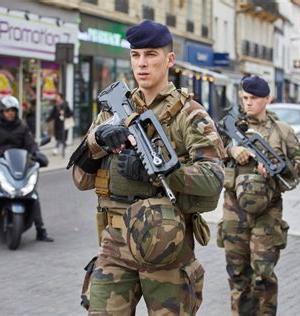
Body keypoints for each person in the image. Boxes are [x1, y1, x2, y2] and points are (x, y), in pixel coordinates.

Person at [70, 20, 225, 315]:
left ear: (169, 60)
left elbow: (214, 178)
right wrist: (98, 140)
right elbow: (80, 178)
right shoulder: (113, 110)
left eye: (151, 54)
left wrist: (164, 172)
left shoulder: (189, 114)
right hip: (114, 243)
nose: (141, 64)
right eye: (136, 55)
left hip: (167, 245)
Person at [218, 75, 300, 315]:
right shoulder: (231, 127)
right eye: (245, 98)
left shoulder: (282, 131)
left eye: (254, 98)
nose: (248, 103)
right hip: (233, 210)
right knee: (237, 274)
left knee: (263, 274)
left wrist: (280, 164)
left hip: (267, 213)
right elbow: (208, 154)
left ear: (267, 99)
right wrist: (231, 150)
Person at [0, 96, 54, 242]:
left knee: (32, 194)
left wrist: (37, 153)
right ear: (1, 111)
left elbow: (30, 144)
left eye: (13, 110)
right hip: (0, 162)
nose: (10, 113)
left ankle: (41, 230)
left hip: (19, 164)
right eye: (7, 111)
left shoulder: (22, 127)